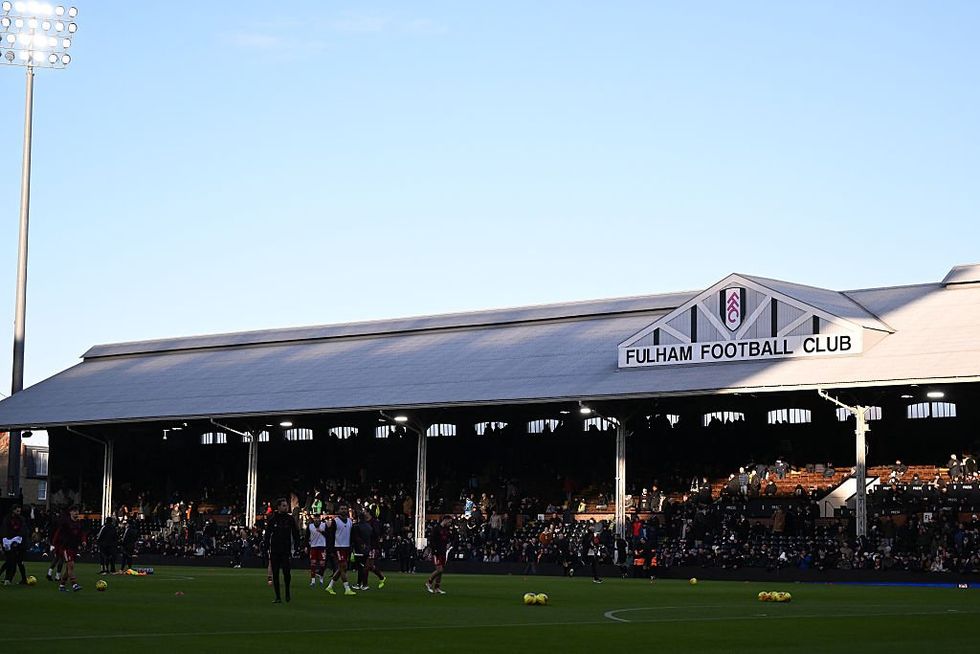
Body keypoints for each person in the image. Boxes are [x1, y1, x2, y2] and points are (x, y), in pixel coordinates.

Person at [263, 497, 300, 603]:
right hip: (275, 550)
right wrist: (266, 548)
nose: (286, 507)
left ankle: (287, 592)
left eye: (286, 505)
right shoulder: (273, 519)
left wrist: (297, 546)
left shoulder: (290, 519)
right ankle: (278, 596)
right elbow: (267, 535)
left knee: (286, 573)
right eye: (283, 505)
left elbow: (295, 533)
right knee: (275, 573)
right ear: (278, 507)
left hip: (286, 550)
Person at [325, 505, 356, 595]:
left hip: (347, 547)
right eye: (342, 509)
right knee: (343, 567)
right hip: (338, 547)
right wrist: (331, 549)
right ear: (338, 510)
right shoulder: (335, 521)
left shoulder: (350, 521)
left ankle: (330, 586)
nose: (344, 510)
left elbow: (351, 535)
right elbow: (331, 536)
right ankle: (347, 588)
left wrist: (352, 546)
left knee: (342, 568)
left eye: (345, 509)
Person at [56, 506, 85, 592]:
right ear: (70, 512)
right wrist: (55, 544)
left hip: (74, 548)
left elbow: (82, 534)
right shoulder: (65, 523)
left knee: (68, 568)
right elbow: (58, 533)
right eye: (74, 511)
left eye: (77, 511)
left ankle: (62, 585)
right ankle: (74, 584)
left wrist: (83, 541)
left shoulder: (79, 523)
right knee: (70, 565)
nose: (76, 513)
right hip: (66, 547)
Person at [1, 505, 29, 585]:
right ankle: (10, 578)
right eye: (17, 511)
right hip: (11, 541)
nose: (19, 513)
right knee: (12, 560)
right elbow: (5, 529)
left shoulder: (21, 519)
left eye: (19, 511)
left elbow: (23, 531)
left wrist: (16, 540)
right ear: (13, 510)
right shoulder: (7, 519)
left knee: (15, 561)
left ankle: (10, 578)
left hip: (19, 543)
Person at [425, 515, 453, 594]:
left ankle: (437, 588)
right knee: (439, 569)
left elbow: (448, 539)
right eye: (449, 522)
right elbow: (432, 540)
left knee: (441, 571)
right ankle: (429, 582)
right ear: (445, 520)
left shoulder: (446, 529)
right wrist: (434, 550)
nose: (450, 524)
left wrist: (448, 544)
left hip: (443, 551)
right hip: (437, 552)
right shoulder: (436, 529)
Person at [307, 512, 327, 587]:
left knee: (322, 564)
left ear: (320, 518)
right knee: (313, 563)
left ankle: (321, 578)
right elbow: (307, 536)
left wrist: (322, 532)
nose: (316, 519)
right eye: (315, 518)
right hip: (313, 546)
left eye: (318, 518)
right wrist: (305, 546)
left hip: (322, 546)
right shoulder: (310, 526)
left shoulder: (324, 525)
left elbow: (328, 535)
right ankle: (313, 581)